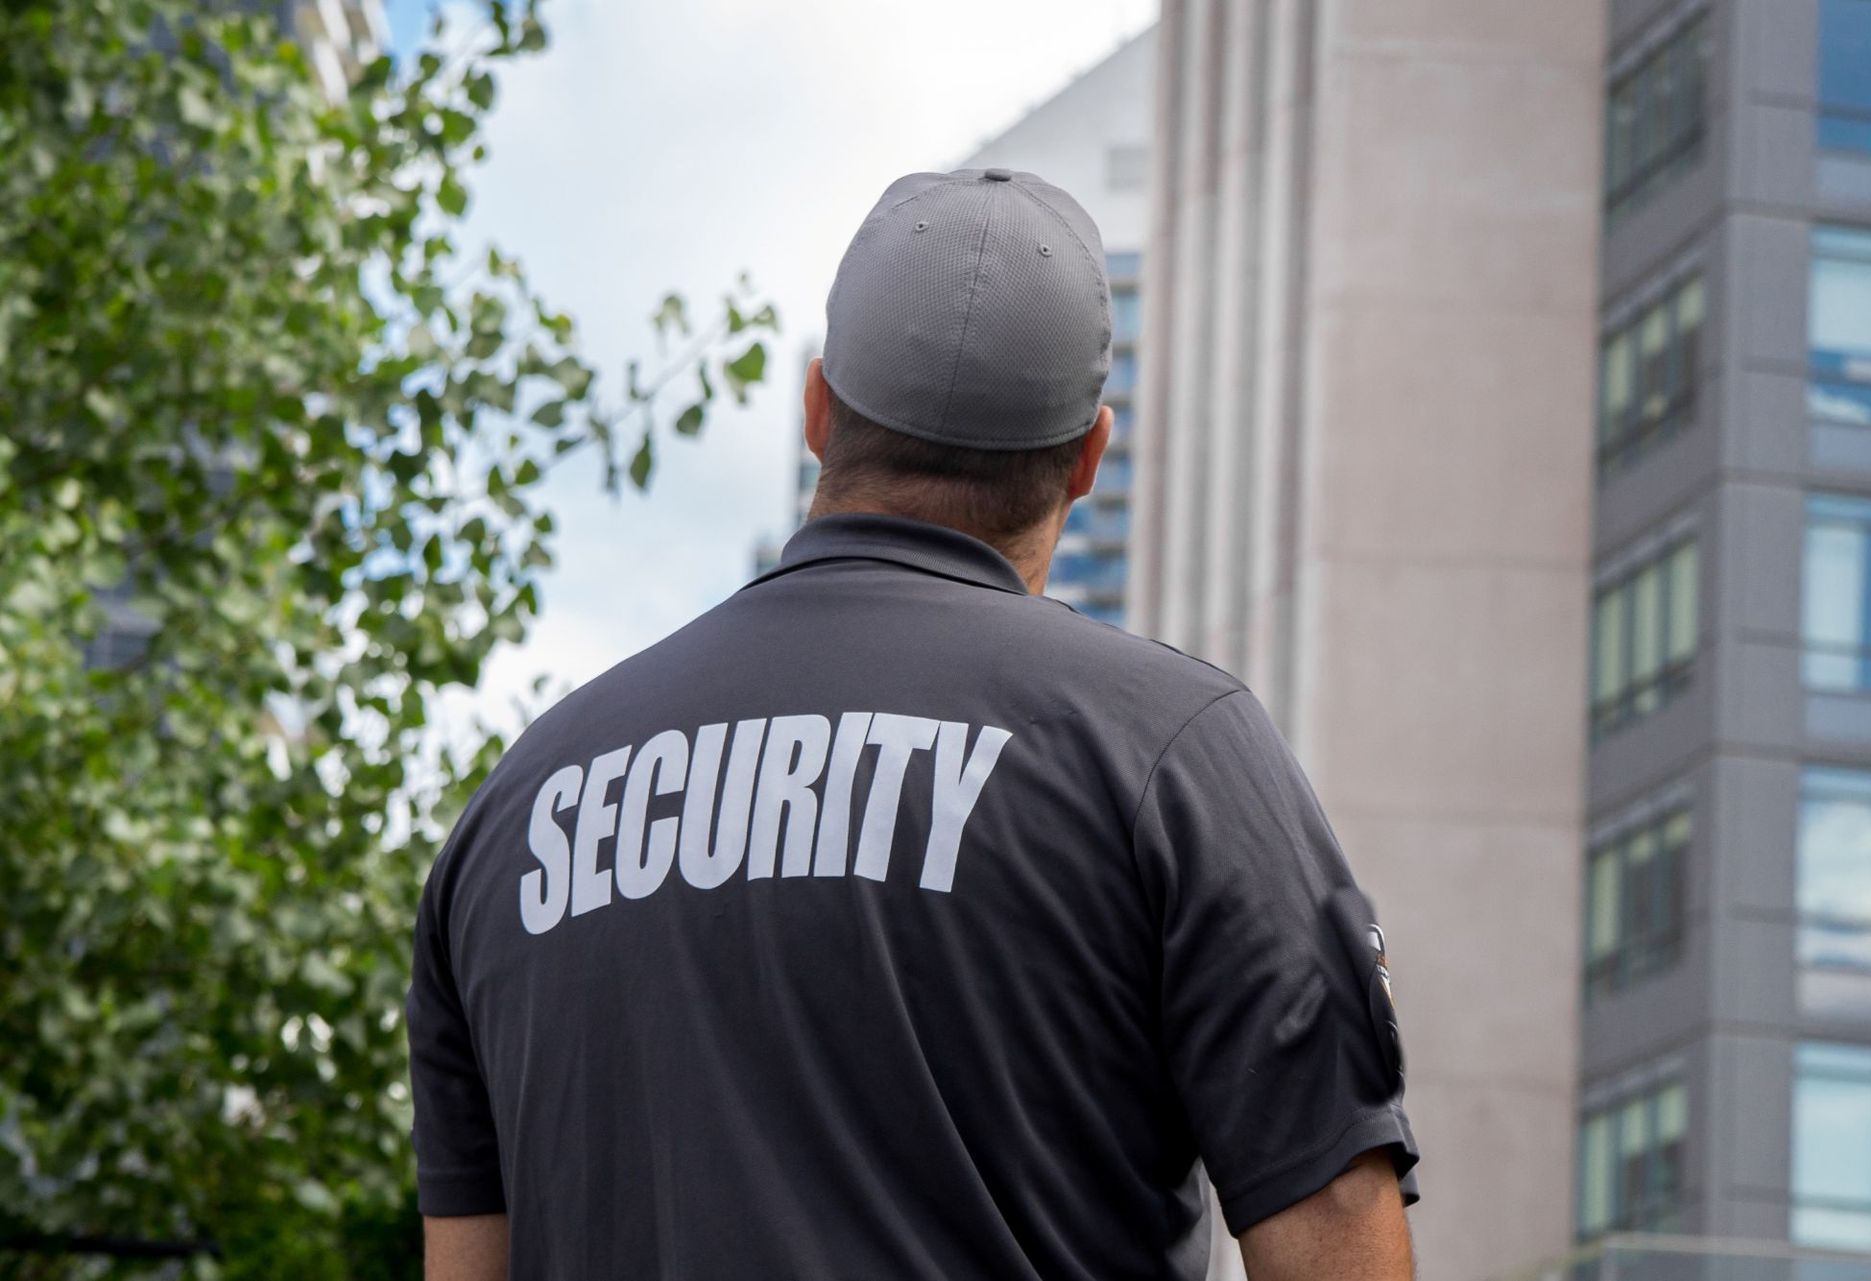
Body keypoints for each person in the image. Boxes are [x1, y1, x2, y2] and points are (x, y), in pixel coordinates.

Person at [407, 167, 1418, 1281]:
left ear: (815, 409)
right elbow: (1335, 1245)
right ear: (1089, 456)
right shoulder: (1173, 757)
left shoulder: (519, 808)